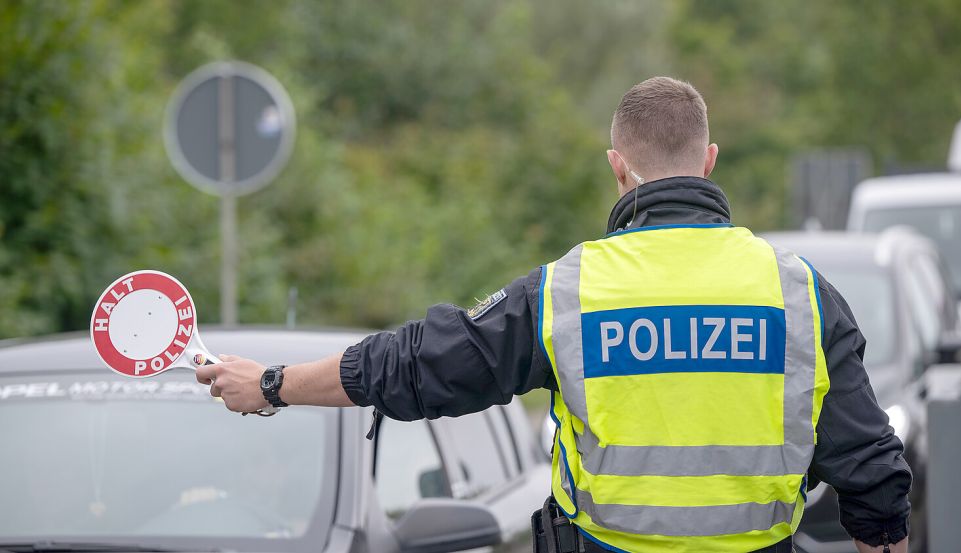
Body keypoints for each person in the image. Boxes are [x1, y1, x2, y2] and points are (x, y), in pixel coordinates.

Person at [197, 77, 911, 553]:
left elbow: (421, 363)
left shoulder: (569, 292)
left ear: (617, 166)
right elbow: (871, 467)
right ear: (709, 161)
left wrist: (271, 383)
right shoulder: (796, 292)